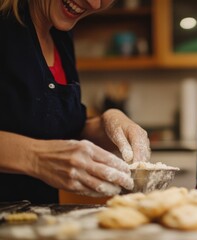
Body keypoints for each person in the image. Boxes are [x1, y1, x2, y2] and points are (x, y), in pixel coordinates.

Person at [0, 0, 151, 204]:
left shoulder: (59, 33)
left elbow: (56, 128)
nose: (95, 3)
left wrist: (108, 122)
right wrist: (35, 157)